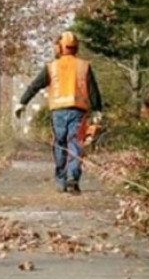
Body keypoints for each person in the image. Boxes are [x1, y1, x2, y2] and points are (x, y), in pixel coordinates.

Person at [15, 31, 103, 194]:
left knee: (60, 145)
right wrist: (98, 110)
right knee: (76, 143)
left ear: (59, 48)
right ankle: (73, 178)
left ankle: (62, 180)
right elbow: (93, 90)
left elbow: (34, 86)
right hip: (78, 111)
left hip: (58, 113)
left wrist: (22, 102)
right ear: (76, 47)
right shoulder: (84, 66)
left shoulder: (52, 67)